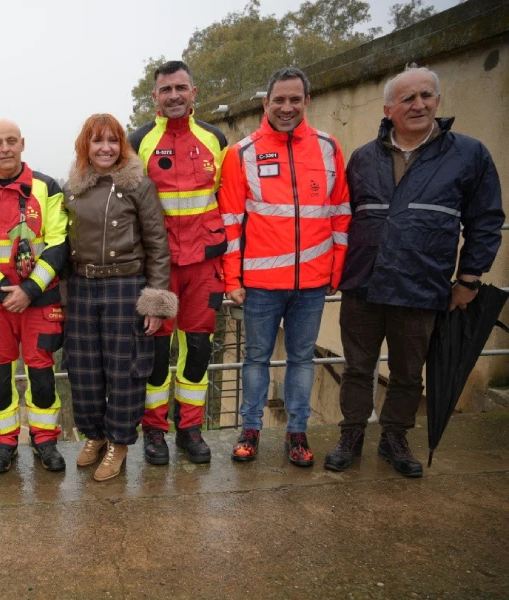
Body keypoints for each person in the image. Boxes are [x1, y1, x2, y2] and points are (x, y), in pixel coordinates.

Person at [326, 65, 503, 478]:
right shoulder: (363, 158)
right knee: (356, 368)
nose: (418, 104)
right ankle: (350, 434)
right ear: (388, 109)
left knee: (408, 371)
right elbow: (341, 217)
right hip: (363, 284)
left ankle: (394, 439)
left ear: (438, 101)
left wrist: (469, 278)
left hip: (421, 285)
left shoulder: (468, 154)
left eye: (426, 95)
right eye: (407, 98)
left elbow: (486, 219)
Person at [218, 67, 350, 467]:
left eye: (295, 99)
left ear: (307, 102)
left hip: (312, 283)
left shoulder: (328, 147)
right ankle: (251, 430)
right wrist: (232, 278)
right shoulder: (242, 153)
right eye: (279, 99)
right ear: (266, 103)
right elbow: (230, 222)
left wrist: (335, 270)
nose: (287, 107)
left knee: (302, 359)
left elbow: (341, 212)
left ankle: (297, 433)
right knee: (256, 359)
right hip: (259, 284)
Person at [127, 60, 227, 465]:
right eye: (165, 90)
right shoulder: (139, 141)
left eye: (180, 88)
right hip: (159, 269)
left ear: (193, 92)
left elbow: (228, 201)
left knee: (199, 350)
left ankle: (190, 429)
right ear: (154, 97)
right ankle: (154, 431)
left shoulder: (215, 139)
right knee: (154, 352)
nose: (173, 96)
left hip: (205, 265)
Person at [66, 114, 175, 481]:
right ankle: (94, 436)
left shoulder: (139, 186)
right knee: (83, 370)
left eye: (113, 141)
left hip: (126, 287)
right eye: (97, 141)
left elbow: (158, 245)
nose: (106, 148)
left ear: (122, 145)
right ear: (86, 146)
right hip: (82, 288)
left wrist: (155, 302)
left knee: (124, 371)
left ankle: (120, 442)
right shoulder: (74, 188)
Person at [0, 119, 68, 474]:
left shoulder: (47, 187)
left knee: (42, 375)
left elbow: (58, 243)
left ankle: (45, 441)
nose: (4, 148)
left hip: (39, 302)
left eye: (10, 141)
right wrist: (3, 292)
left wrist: (29, 290)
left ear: (22, 143)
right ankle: (4, 446)